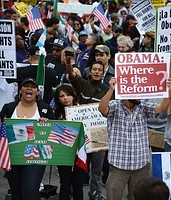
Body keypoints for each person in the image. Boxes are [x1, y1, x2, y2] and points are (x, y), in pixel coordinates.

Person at [98, 77, 171, 200]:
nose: (139, 96)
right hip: (118, 166)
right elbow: (102, 109)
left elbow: (162, 108)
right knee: (113, 197)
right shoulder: (115, 106)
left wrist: (167, 92)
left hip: (141, 166)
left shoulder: (143, 106)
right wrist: (111, 90)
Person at [0, 78, 55, 199]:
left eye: (33, 87)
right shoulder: (9, 107)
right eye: (26, 86)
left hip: (36, 155)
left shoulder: (44, 108)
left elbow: (54, 131)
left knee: (30, 190)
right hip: (13, 155)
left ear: (37, 92)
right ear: (20, 90)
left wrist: (47, 124)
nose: (29, 88)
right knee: (16, 193)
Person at [65, 56, 108, 199]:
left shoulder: (108, 90)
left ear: (103, 73)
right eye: (94, 69)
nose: (96, 72)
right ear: (90, 72)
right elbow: (71, 75)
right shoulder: (82, 85)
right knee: (78, 165)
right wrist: (68, 64)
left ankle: (95, 193)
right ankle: (74, 192)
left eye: (99, 70)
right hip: (81, 132)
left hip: (99, 134)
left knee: (96, 169)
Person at [54, 84, 85, 200]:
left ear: (73, 96)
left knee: (78, 186)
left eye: (68, 95)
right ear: (58, 99)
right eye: (62, 96)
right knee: (65, 184)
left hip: (80, 153)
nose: (65, 98)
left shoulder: (82, 110)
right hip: (63, 154)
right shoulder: (56, 114)